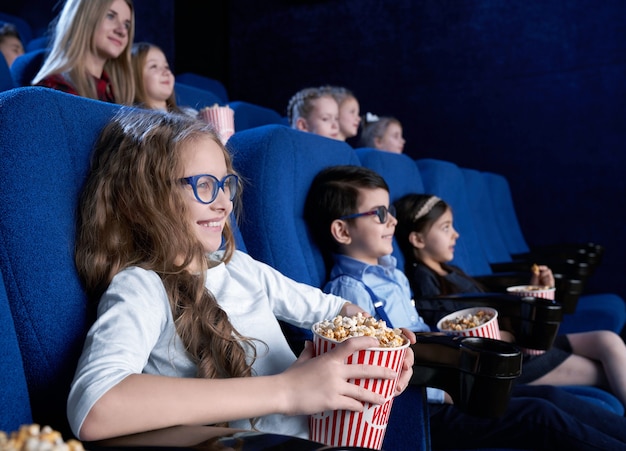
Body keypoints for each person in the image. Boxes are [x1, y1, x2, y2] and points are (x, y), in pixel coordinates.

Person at [68, 109, 415, 442]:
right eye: (203, 185)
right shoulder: (142, 286)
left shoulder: (240, 267)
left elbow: (337, 311)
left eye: (225, 185)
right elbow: (95, 407)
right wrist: (287, 391)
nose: (224, 204)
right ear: (142, 198)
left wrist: (384, 351)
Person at [304, 164, 626, 449]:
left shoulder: (391, 274)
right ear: (342, 230)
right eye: (380, 214)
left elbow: (420, 336)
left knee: (549, 398)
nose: (393, 222)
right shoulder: (348, 292)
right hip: (419, 406)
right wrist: (444, 387)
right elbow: (371, 372)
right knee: (538, 415)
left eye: (390, 211)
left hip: (445, 375)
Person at [393, 193, 626, 405]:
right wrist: (507, 333)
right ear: (417, 240)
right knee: (608, 372)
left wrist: (535, 289)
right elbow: (454, 332)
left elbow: (487, 306)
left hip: (519, 343)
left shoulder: (451, 270)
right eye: (445, 228)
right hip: (510, 359)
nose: (456, 234)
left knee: (607, 340)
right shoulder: (424, 282)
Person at [32, 0, 135, 105]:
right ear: (83, 18)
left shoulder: (115, 93)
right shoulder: (53, 90)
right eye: (110, 16)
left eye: (126, 25)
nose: (122, 31)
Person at [131, 41, 192, 114]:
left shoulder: (190, 114)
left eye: (166, 67)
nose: (166, 72)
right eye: (154, 66)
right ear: (135, 77)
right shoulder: (134, 119)